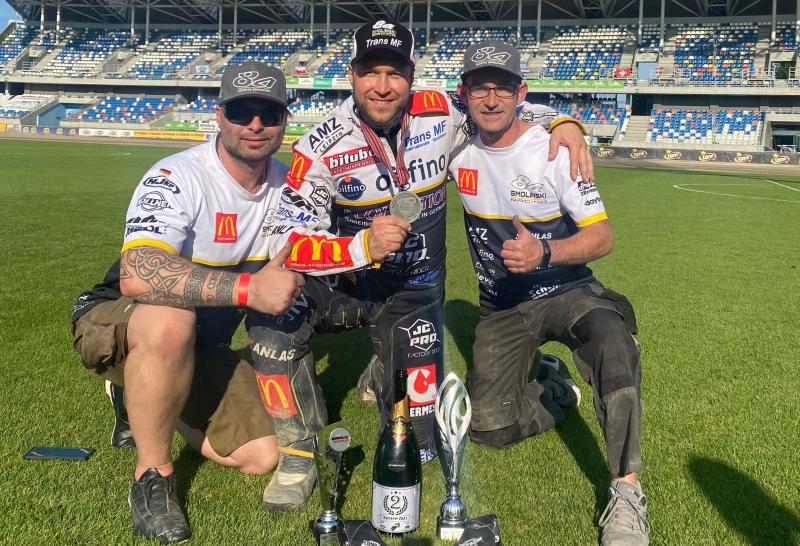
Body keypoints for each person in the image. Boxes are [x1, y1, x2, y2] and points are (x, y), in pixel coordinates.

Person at [247, 20, 594, 512]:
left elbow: (506, 111)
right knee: (272, 312)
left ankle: (385, 366)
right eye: (371, 72)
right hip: (348, 285)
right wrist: (358, 247)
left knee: (423, 443)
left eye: (396, 72)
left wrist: (565, 123)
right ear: (351, 75)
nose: (383, 86)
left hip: (415, 292)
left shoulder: (441, 113)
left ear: (412, 75)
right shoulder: (319, 145)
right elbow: (283, 243)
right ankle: (299, 451)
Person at [70, 61, 408, 544]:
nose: (254, 125)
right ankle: (154, 477)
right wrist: (249, 291)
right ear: (219, 114)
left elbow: (315, 256)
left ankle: (136, 394)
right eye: (241, 111)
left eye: (268, 114)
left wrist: (368, 250)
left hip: (201, 345)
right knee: (170, 322)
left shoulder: (290, 186)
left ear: (284, 120)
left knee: (262, 455)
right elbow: (137, 274)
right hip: (118, 321)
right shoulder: (178, 175)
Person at [447, 41, 649, 546]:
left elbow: (602, 238)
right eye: (480, 88)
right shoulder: (455, 148)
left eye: (502, 88)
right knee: (489, 429)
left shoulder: (555, 149)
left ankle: (626, 493)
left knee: (611, 339)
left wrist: (545, 252)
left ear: (522, 93)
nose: (490, 100)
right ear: (464, 93)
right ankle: (556, 389)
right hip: (505, 306)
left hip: (568, 289)